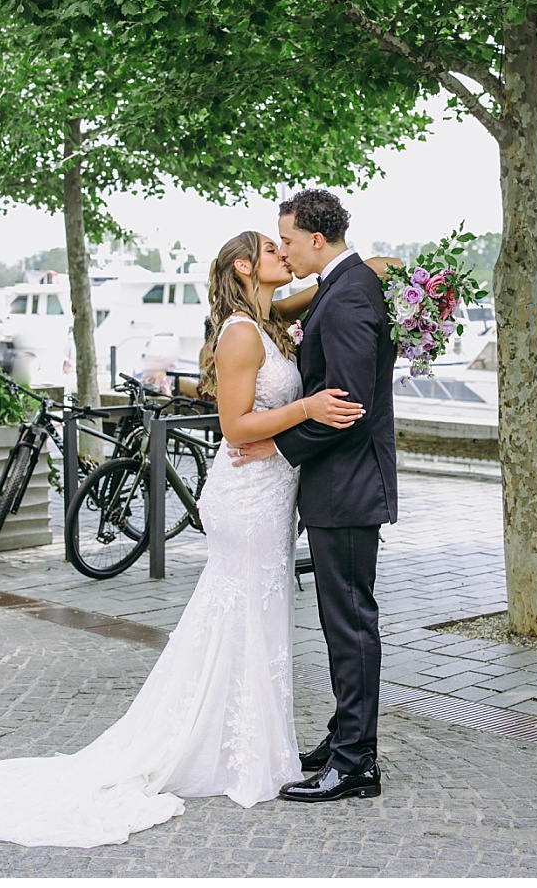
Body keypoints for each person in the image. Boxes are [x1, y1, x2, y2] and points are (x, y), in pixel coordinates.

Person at [0, 230, 366, 848]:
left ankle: (250, 743)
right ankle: (240, 753)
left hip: (270, 493)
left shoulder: (267, 322)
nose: (283, 255)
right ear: (243, 264)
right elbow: (235, 427)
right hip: (249, 495)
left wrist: (371, 270)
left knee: (254, 617)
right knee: (249, 614)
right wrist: (307, 407)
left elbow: (319, 287)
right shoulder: (239, 332)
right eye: (270, 249)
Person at [230, 189, 399, 803]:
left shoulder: (349, 292)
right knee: (342, 622)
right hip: (340, 485)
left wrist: (278, 448)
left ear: (317, 240)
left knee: (350, 624)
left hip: (349, 488)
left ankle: (356, 765)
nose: (287, 252)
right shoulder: (341, 284)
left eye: (290, 241)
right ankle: (342, 738)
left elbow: (348, 404)